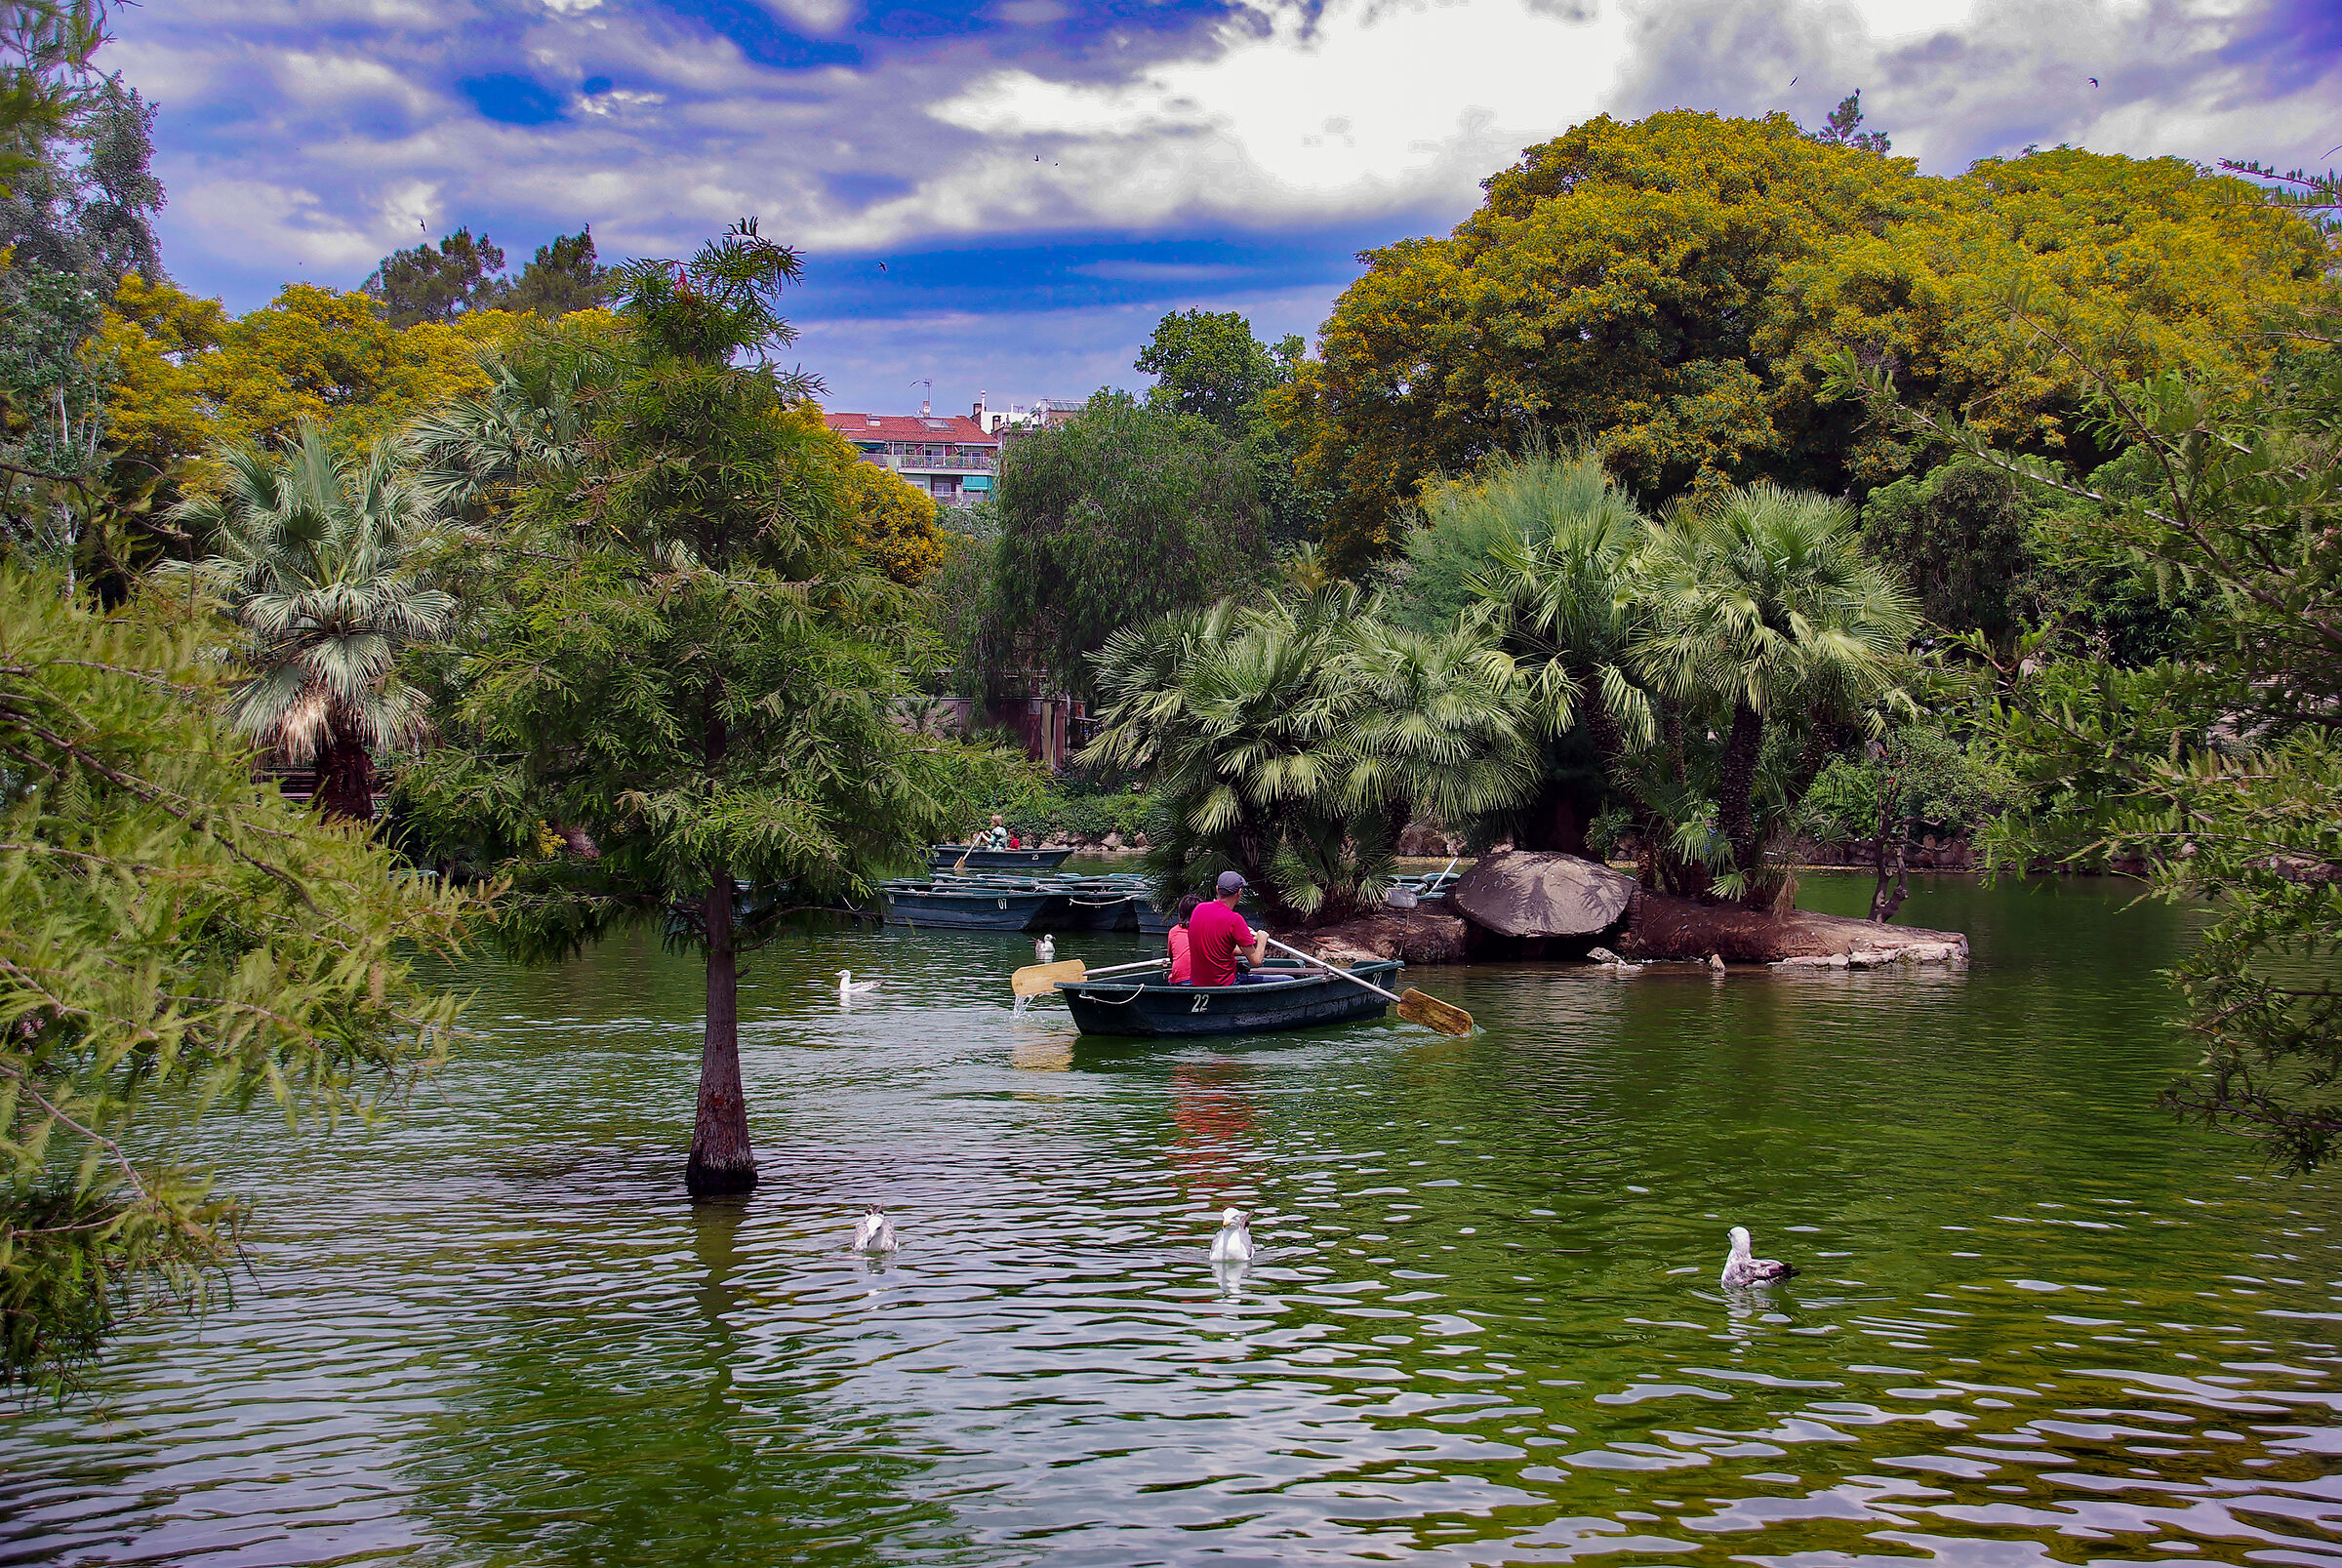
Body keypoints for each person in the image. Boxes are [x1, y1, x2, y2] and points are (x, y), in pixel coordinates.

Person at [1189, 870, 1274, 985]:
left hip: (1198, 983)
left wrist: (1247, 938)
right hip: (1226, 984)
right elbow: (1256, 961)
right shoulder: (1235, 919)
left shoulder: (1198, 909)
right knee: (1288, 979)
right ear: (1239, 892)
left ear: (1217, 889)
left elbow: (1222, 945)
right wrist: (1262, 938)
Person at [1165, 894, 1204, 984]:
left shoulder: (1174, 931)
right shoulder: (1207, 930)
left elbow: (1172, 958)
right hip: (1202, 980)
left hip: (1178, 981)